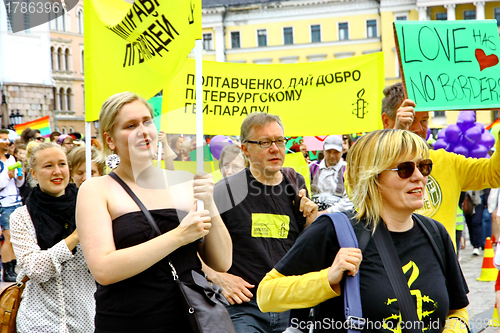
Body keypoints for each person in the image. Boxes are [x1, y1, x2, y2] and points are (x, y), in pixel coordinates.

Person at [258, 129, 470, 333]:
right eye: (405, 169)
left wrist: (454, 329)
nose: (419, 177)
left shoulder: (435, 233)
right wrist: (327, 279)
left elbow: (457, 309)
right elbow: (266, 295)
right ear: (373, 178)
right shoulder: (335, 230)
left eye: (424, 167)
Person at [76, 92, 232, 333]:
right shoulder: (96, 189)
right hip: (127, 322)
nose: (143, 131)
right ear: (110, 139)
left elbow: (222, 261)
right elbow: (104, 270)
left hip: (188, 320)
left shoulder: (185, 183)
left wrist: (209, 202)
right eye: (130, 125)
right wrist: (179, 236)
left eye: (147, 121)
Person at [204, 112, 318, 333]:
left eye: (279, 140)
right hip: (244, 310)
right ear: (245, 149)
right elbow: (190, 249)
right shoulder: (225, 191)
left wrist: (311, 223)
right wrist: (218, 277)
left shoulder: (296, 183)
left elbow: (305, 248)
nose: (275, 149)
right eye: (265, 142)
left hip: (290, 307)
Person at [382, 82, 500, 246]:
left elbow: (494, 174)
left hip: (441, 268)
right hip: (392, 268)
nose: (417, 128)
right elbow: (361, 185)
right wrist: (397, 137)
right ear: (386, 121)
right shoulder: (370, 163)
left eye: (424, 120)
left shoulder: (446, 161)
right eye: (410, 120)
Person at [10, 142, 95, 332]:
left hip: (85, 321)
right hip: (39, 323)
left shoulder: (90, 207)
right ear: (34, 173)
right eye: (48, 166)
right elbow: (36, 269)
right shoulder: (22, 217)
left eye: (62, 164)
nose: (57, 171)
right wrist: (76, 236)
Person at [0, 129, 24, 281]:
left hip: (16, 201)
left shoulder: (11, 159)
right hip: (4, 203)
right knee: (8, 237)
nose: (6, 142)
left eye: (7, 139)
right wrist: (6, 177)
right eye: (3, 139)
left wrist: (19, 176)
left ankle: (12, 269)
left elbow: (19, 183)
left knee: (15, 237)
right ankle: (7, 270)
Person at [310, 135, 353, 215]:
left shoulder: (348, 170)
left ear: (342, 151)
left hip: (338, 216)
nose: (332, 155)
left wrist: (325, 213)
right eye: (329, 151)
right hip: (313, 215)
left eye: (336, 152)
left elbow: (349, 199)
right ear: (323, 150)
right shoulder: (312, 167)